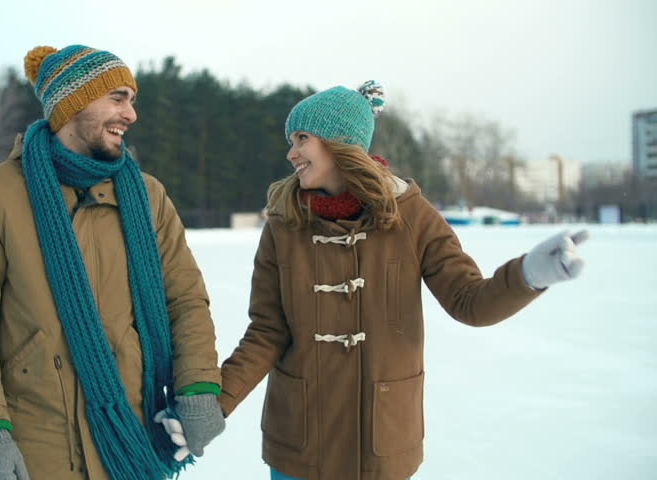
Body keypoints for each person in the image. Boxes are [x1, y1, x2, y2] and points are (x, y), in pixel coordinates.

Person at [215, 81, 588, 480]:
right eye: (291, 140)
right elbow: (267, 332)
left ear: (339, 142)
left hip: (382, 442)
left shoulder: (413, 215)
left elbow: (469, 301)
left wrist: (529, 275)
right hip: (299, 446)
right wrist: (213, 405)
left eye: (302, 138)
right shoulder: (283, 225)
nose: (291, 153)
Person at [0, 44, 225, 480]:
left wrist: (199, 386)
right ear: (72, 104)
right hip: (40, 446)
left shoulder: (148, 196)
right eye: (117, 98)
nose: (130, 115)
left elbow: (185, 300)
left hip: (134, 437)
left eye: (132, 100)